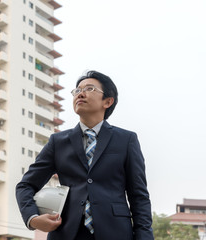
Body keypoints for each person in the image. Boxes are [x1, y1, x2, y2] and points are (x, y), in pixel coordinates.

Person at [15, 70, 154, 240]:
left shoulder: (126, 140)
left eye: (89, 89)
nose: (80, 93)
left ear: (108, 101)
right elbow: (26, 185)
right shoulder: (57, 142)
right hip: (66, 233)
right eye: (77, 90)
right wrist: (33, 218)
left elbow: (139, 196)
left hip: (116, 232)